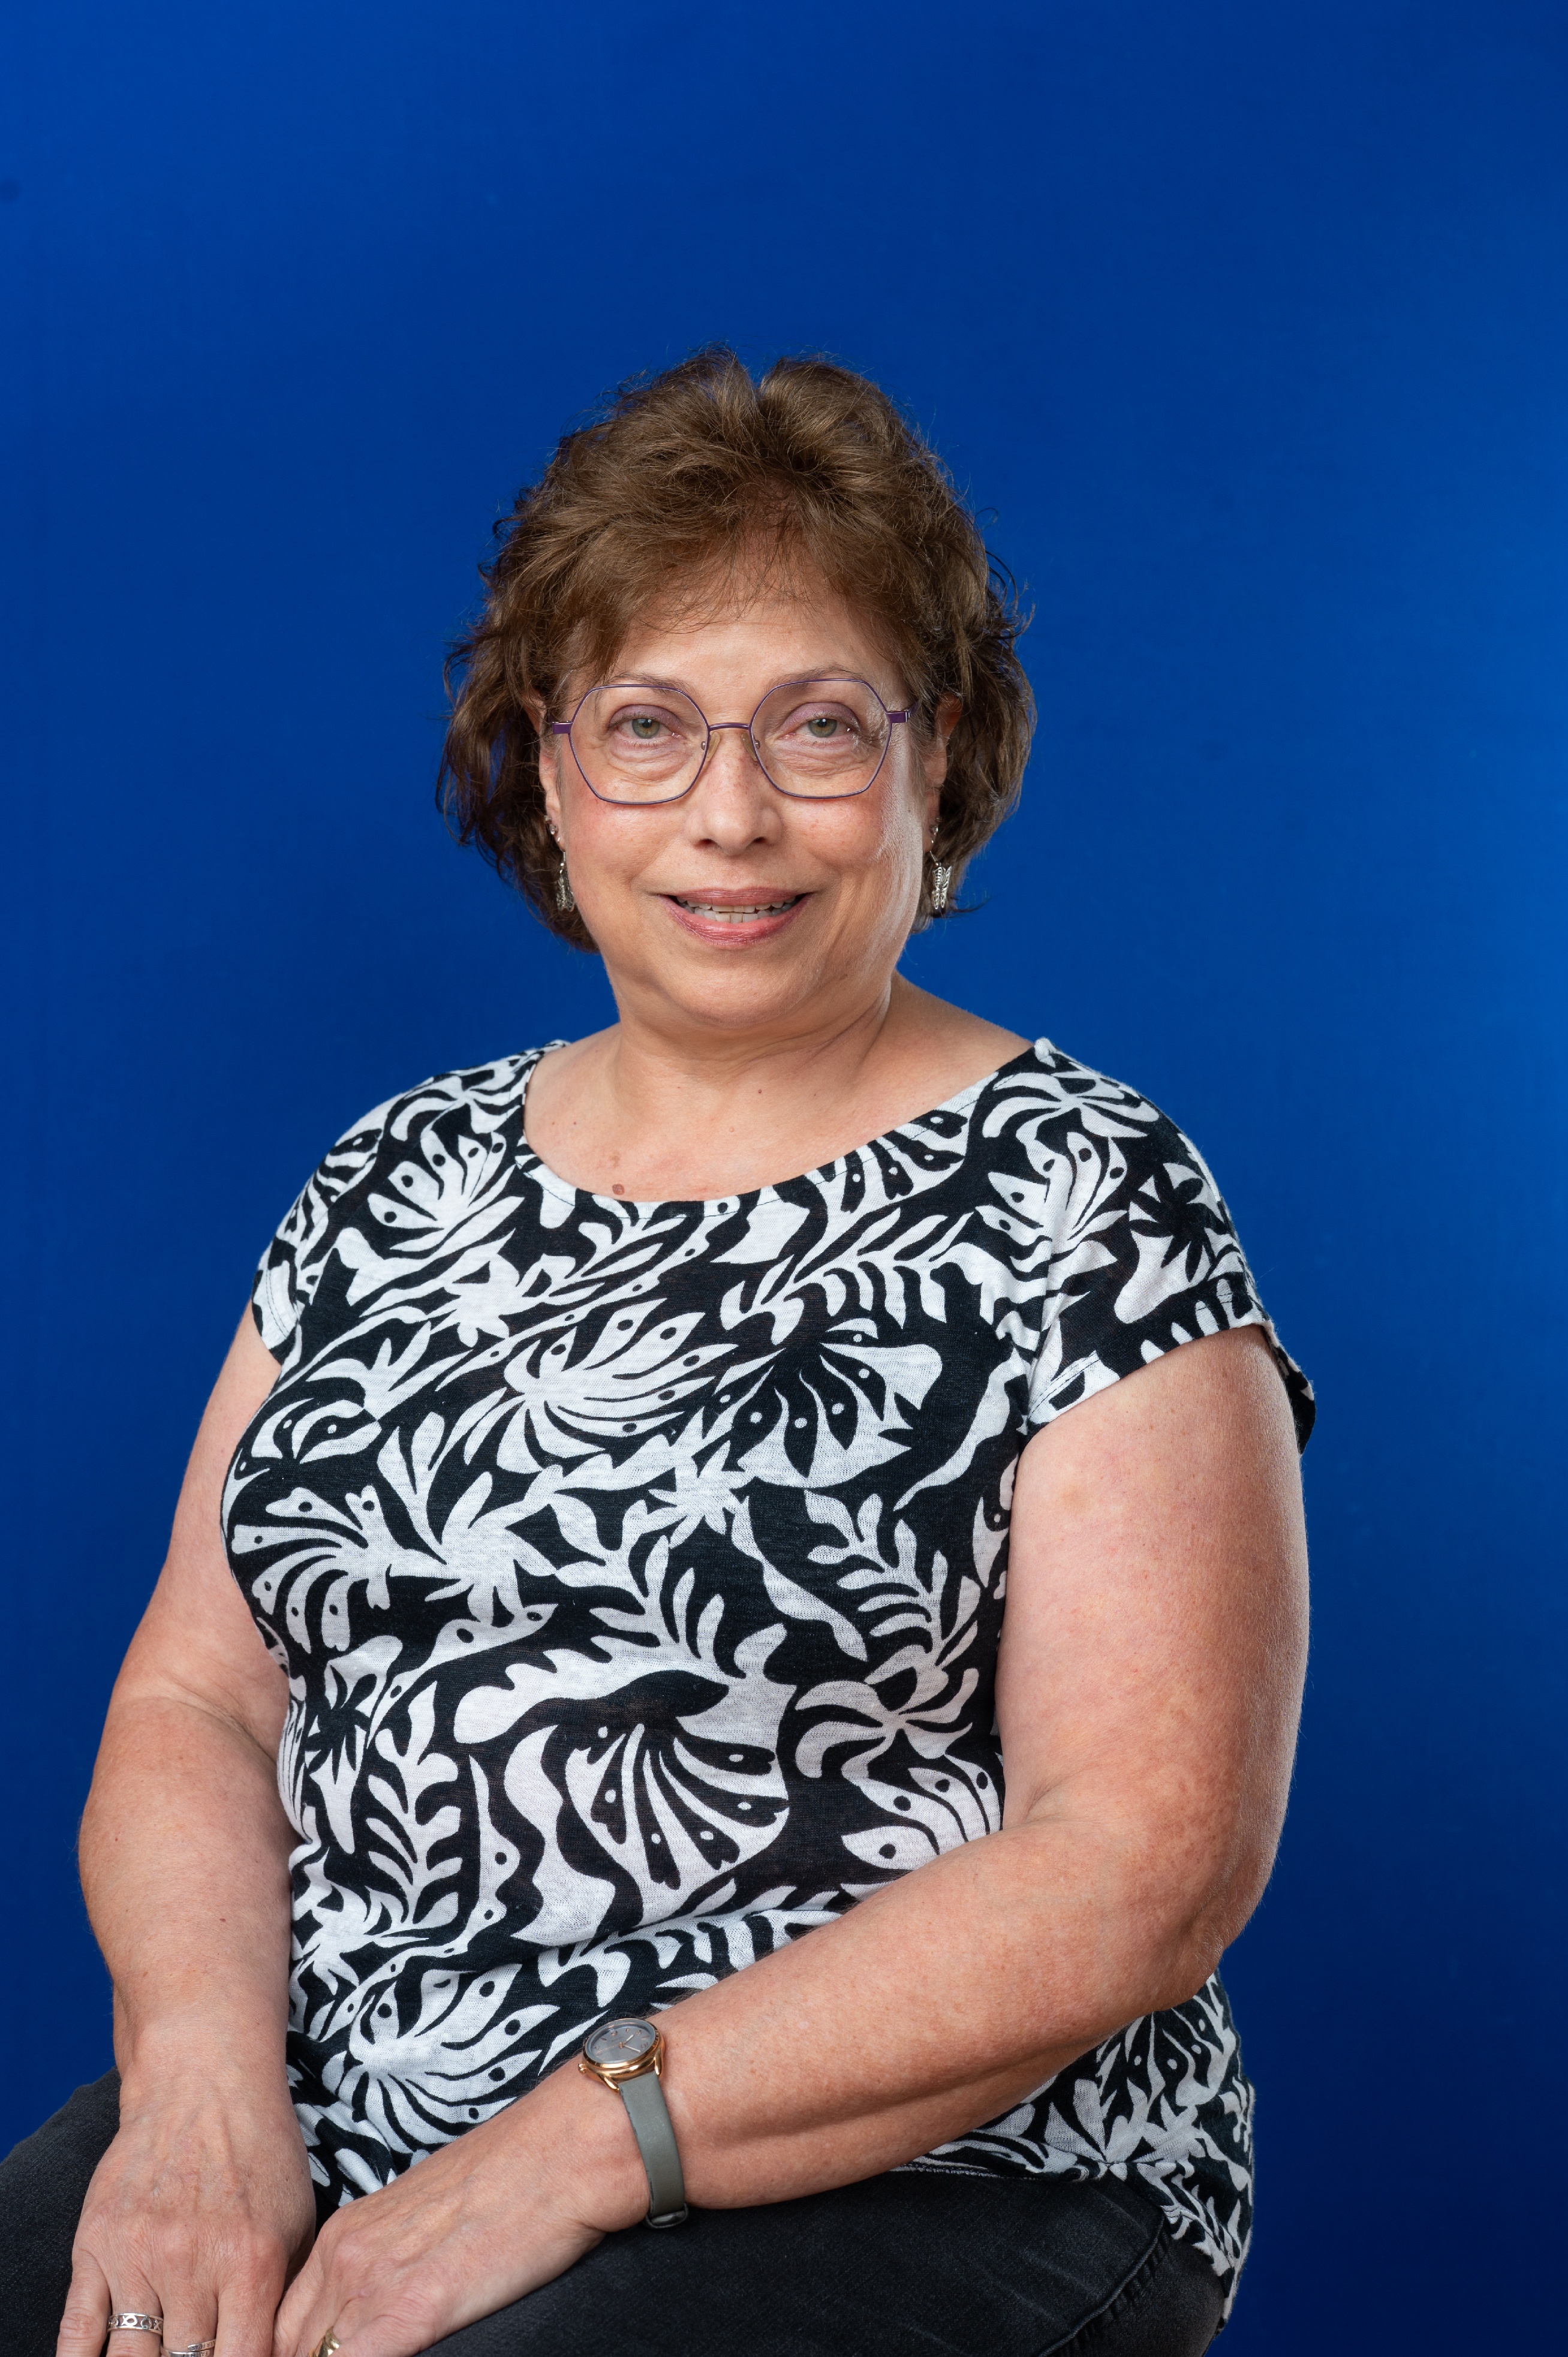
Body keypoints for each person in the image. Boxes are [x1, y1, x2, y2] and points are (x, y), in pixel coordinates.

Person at [1, 349, 1311, 2357]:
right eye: (647, 727)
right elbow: (195, 1701)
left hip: (935, 2174)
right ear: (546, 772)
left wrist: (561, 2154)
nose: (730, 811)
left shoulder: (1085, 1194)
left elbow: (1145, 1862)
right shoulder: (393, 1177)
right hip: (339, 2118)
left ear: (939, 756)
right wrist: (195, 2100)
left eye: (818, 725)